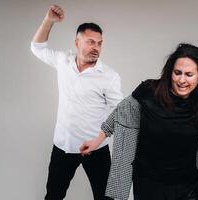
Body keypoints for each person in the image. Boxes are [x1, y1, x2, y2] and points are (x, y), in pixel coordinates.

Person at [80, 43, 198, 200]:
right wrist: (97, 140)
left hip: (188, 188)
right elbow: (120, 113)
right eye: (177, 73)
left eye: (189, 75)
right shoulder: (149, 92)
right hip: (149, 185)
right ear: (170, 73)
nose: (182, 80)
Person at [30, 4, 123, 200]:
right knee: (53, 196)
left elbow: (119, 113)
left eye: (99, 43)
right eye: (90, 42)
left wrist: (98, 140)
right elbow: (36, 47)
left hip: (96, 148)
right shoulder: (63, 61)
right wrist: (48, 21)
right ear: (77, 42)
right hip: (63, 145)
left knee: (106, 198)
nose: (96, 47)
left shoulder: (109, 76)